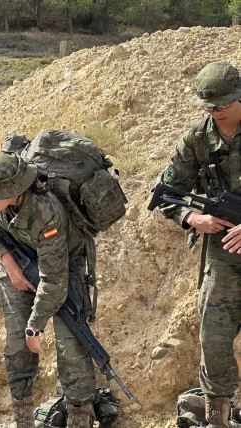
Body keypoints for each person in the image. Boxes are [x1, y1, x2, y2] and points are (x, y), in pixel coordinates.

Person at [0, 152, 96, 428]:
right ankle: (22, 418)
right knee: (16, 344)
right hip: (18, 262)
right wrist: (9, 262)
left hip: (60, 267)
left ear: (14, 190)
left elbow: (53, 280)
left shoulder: (45, 212)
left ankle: (79, 420)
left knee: (72, 344)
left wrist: (35, 326)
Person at [156, 61, 241, 428]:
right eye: (208, 107)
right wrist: (193, 218)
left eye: (221, 106)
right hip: (224, 253)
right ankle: (217, 418)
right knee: (214, 337)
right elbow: (165, 193)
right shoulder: (197, 138)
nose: (215, 113)